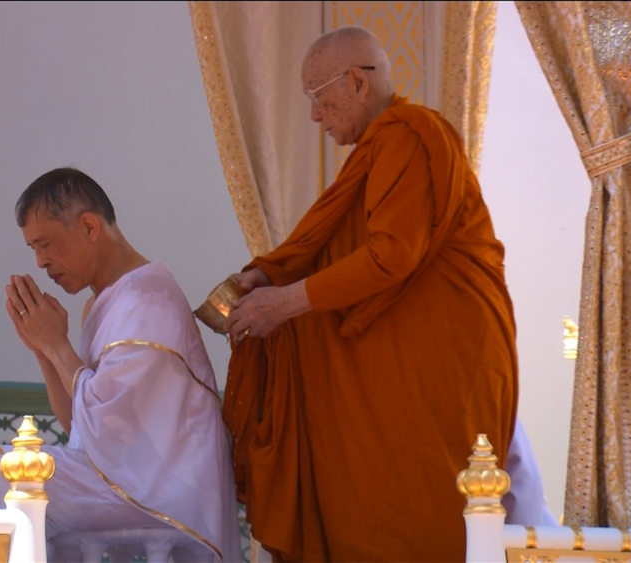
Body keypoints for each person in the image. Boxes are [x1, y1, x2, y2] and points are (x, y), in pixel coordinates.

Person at [221, 26, 519, 561]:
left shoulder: (408, 134)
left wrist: (283, 303)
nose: (315, 116)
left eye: (320, 97)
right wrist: (273, 273)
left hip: (442, 365)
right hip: (402, 369)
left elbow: (391, 255)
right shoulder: (377, 151)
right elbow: (336, 247)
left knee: (424, 509)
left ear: (357, 82)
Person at [0, 167, 243, 562]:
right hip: (122, 475)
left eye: (45, 243)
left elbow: (103, 423)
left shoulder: (147, 299)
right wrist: (45, 352)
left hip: (160, 489)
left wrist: (57, 344)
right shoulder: (107, 301)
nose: (40, 262)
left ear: (88, 226)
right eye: (33, 248)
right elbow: (79, 426)